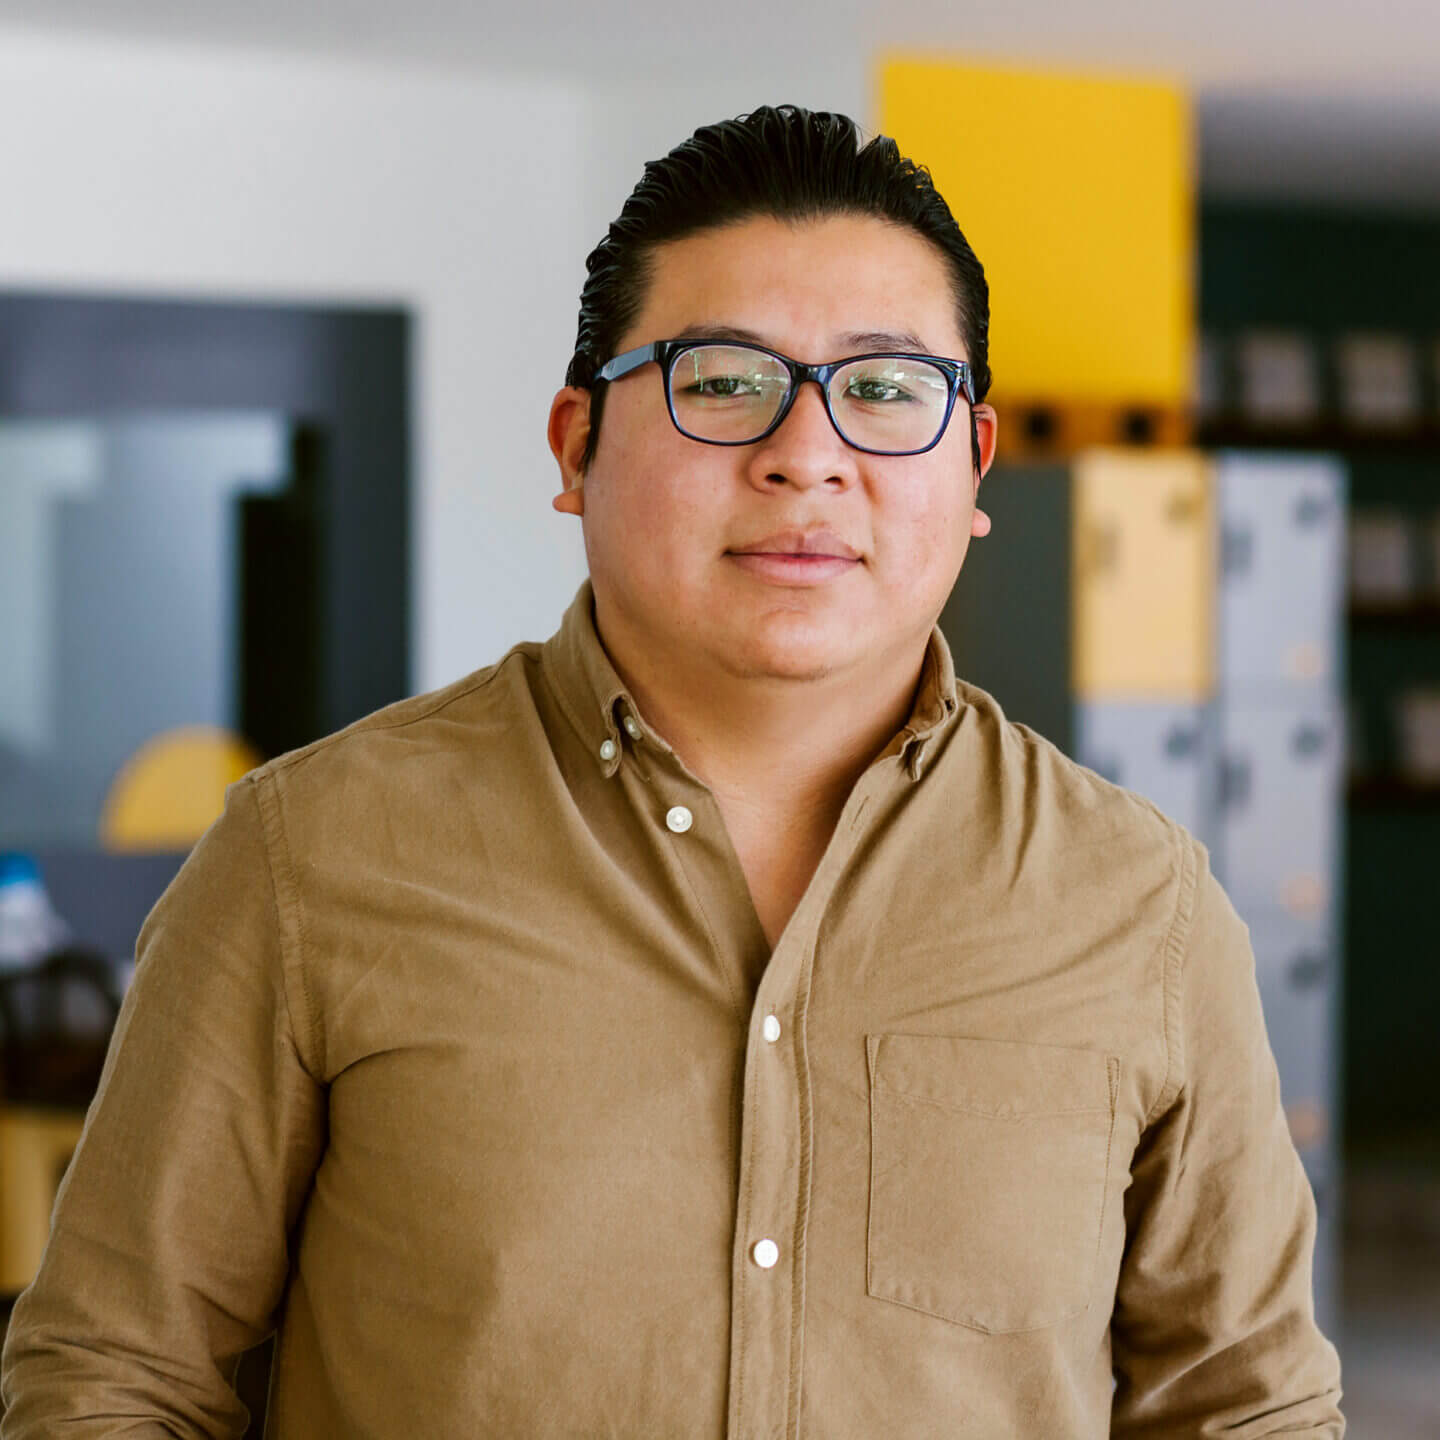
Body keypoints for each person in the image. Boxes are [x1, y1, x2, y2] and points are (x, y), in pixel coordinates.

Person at [0, 105, 1343, 1437]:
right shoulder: (311, 861)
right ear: (576, 447)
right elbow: (117, 1379)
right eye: (722, 379)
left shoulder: (1138, 906)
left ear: (974, 461)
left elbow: (1246, 1407)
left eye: (884, 391)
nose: (807, 455)